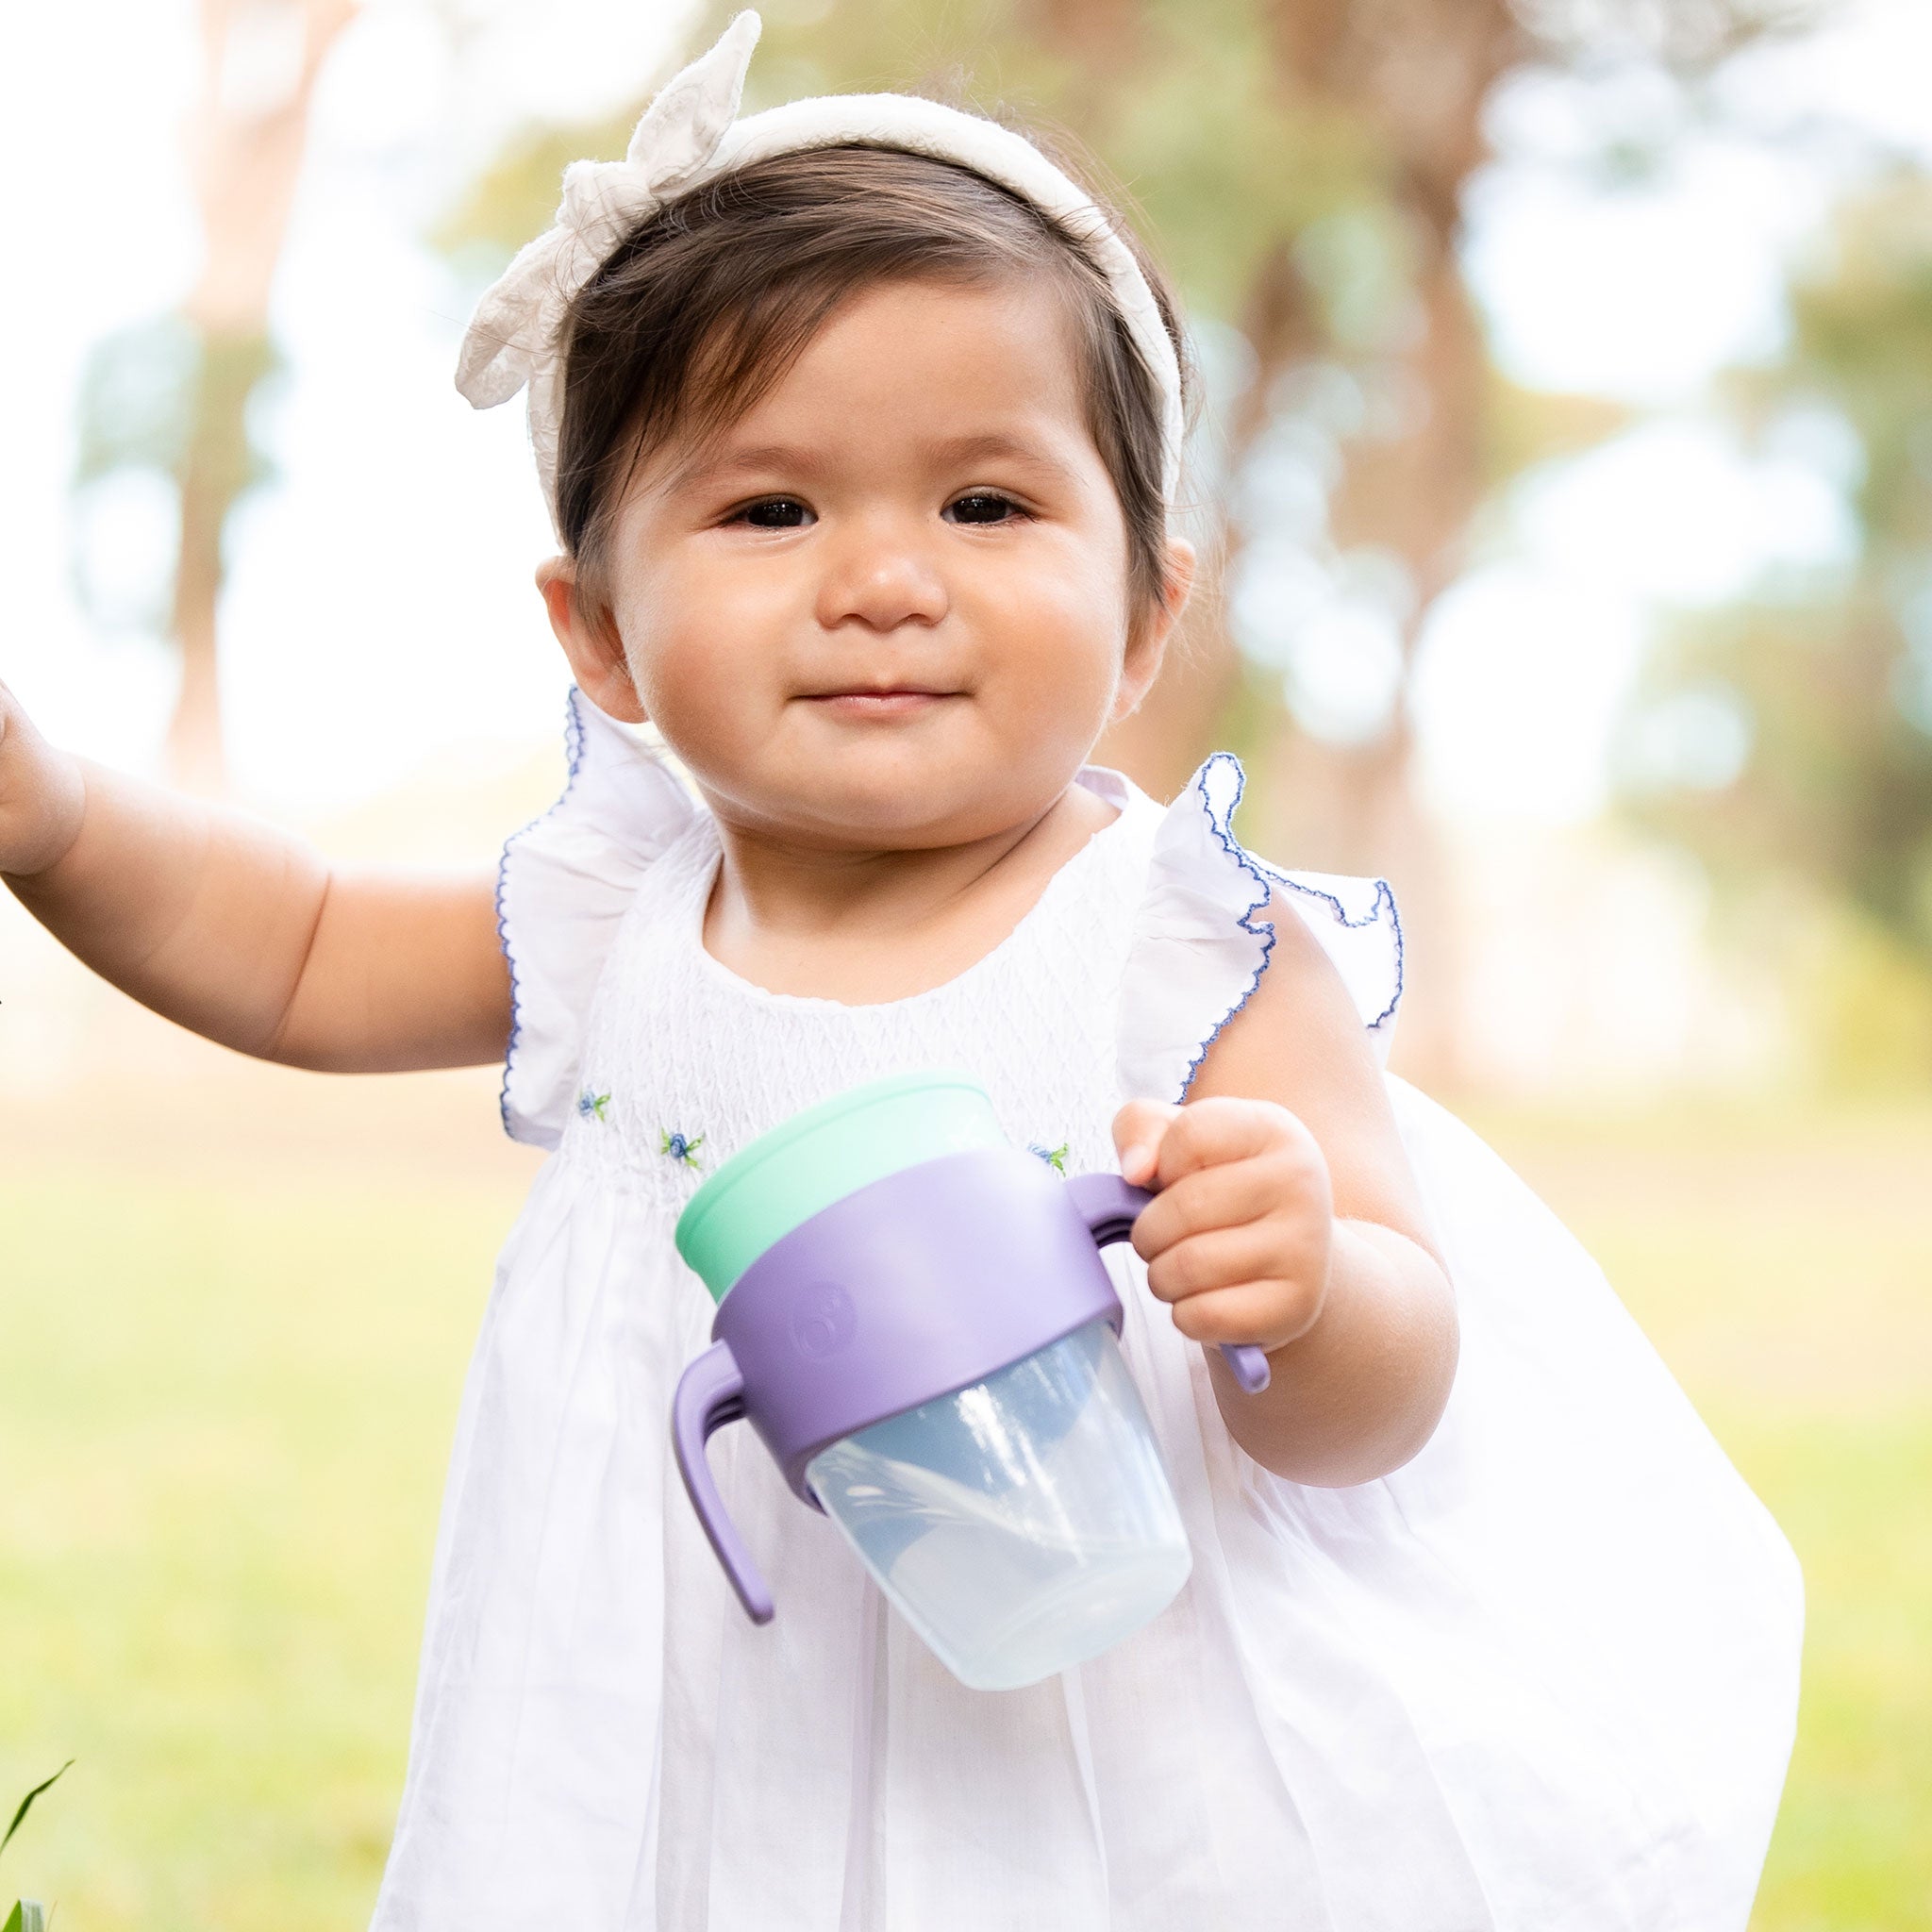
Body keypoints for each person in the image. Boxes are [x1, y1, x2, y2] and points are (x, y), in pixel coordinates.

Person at [0, 14, 1801, 1928]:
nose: (883, 576)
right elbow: (286, 951)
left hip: (1109, 1750)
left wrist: (1312, 1281)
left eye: (986, 504)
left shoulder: (1174, 942)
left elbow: (1376, 1393)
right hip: (690, 1717)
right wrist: (50, 821)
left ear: (1145, 608)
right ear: (598, 630)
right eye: (771, 508)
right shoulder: (623, 920)